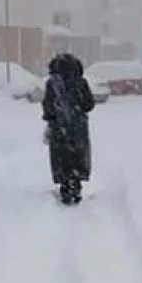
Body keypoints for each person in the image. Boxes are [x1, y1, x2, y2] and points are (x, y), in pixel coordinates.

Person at [42, 53, 97, 205]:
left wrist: (51, 119)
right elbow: (89, 104)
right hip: (78, 127)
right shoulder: (81, 82)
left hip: (59, 128)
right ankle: (76, 183)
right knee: (77, 156)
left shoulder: (52, 84)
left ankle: (65, 185)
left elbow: (48, 106)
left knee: (62, 157)